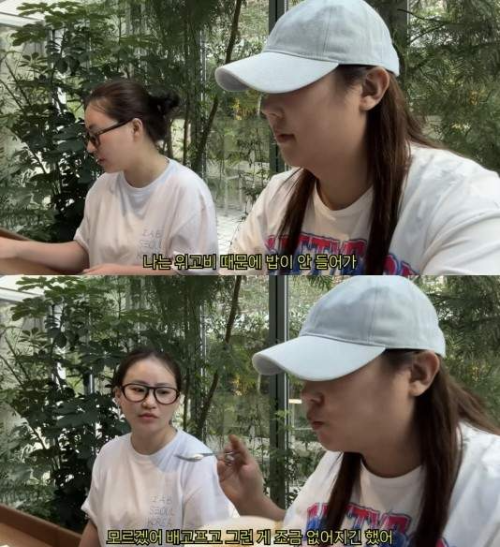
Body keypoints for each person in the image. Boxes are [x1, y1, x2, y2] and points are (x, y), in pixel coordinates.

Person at [215, 0, 500, 275]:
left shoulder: (462, 201)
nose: (267, 108)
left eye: (291, 82)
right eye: (267, 87)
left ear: (370, 88)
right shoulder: (278, 198)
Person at [217, 277, 500, 547]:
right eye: (307, 373)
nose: (306, 394)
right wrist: (251, 499)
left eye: (334, 368)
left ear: (418, 373)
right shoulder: (339, 460)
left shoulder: (489, 488)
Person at [0, 79, 219, 275]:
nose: (89, 147)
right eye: (88, 137)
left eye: (96, 135)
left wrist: (123, 273)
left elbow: (197, 268)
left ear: (135, 128)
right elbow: (84, 252)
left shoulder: (186, 190)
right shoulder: (103, 186)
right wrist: (17, 249)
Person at [79, 348, 232, 547]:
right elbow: (95, 524)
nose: (149, 402)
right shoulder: (109, 453)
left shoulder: (197, 463)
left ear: (177, 400)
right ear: (118, 395)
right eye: (138, 389)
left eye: (163, 392)